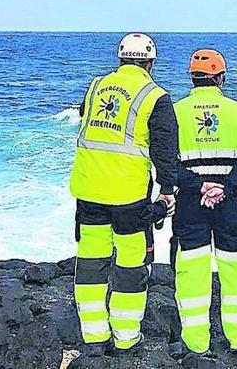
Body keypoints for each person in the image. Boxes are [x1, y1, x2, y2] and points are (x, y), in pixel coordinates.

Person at [69, 33, 178, 355]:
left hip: (88, 188)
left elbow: (85, 116)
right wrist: (168, 190)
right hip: (129, 195)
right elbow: (164, 148)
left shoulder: (96, 85)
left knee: (91, 261)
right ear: (150, 63)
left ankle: (93, 338)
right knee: (130, 266)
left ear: (120, 59)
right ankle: (126, 338)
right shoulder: (155, 96)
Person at [171, 49, 237, 357]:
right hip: (231, 203)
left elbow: (167, 161)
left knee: (191, 269)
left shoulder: (175, 112)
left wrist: (199, 186)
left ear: (192, 79)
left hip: (189, 202)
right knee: (235, 267)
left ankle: (195, 343)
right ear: (221, 78)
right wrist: (225, 186)